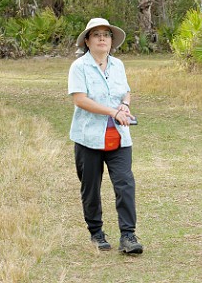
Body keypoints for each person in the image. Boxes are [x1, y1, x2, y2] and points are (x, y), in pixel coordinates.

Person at [67, 17, 143, 255]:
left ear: (111, 41)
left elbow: (126, 91)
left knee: (125, 184)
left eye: (106, 34)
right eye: (96, 34)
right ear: (87, 41)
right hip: (88, 137)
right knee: (91, 188)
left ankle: (128, 236)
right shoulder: (79, 67)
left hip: (119, 136)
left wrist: (125, 106)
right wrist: (112, 111)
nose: (102, 38)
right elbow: (80, 100)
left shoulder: (118, 65)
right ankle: (96, 233)